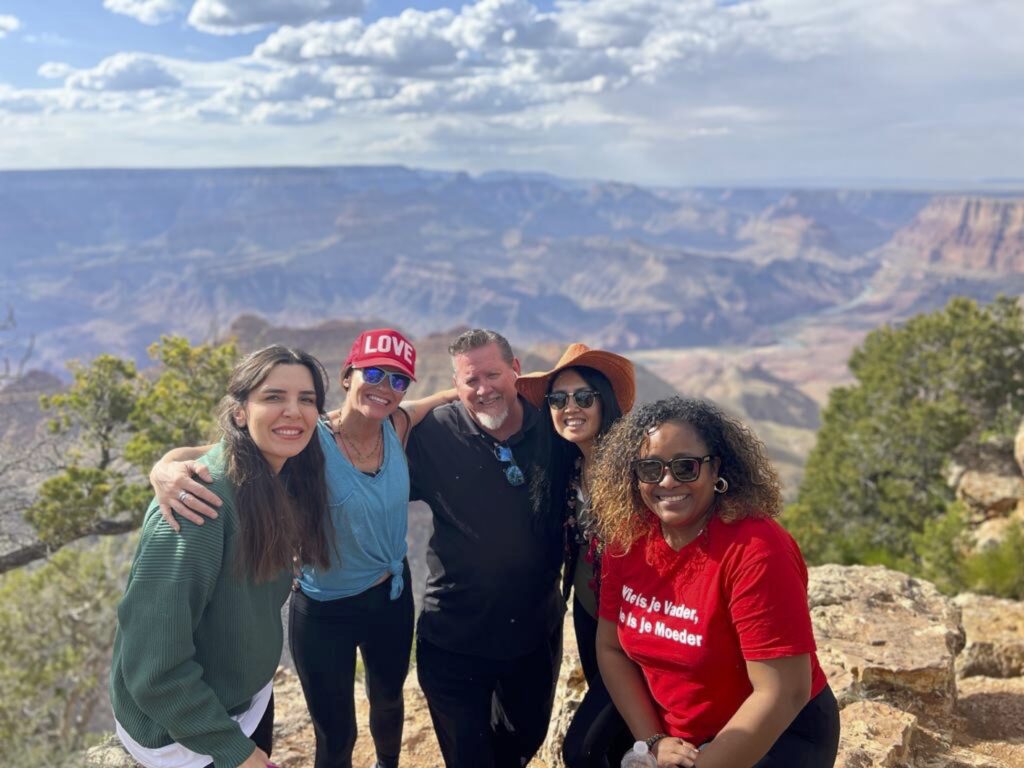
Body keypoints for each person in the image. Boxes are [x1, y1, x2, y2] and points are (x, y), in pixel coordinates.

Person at [149, 328, 456, 768]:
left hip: (391, 596)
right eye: (374, 373)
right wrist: (163, 468)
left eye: (398, 380)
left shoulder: (398, 425)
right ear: (348, 377)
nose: (385, 388)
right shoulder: (306, 439)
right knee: (336, 733)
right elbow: (206, 453)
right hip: (324, 609)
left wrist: (530, 384)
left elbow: (451, 395)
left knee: (388, 705)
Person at [110, 345, 334, 768]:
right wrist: (238, 752)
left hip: (244, 702)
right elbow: (154, 669)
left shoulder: (280, 472)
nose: (294, 411)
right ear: (239, 412)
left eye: (306, 400)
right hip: (186, 738)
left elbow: (373, 413)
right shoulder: (198, 509)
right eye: (273, 397)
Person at [591, 396, 840, 768]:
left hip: (777, 735)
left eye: (686, 467)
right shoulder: (628, 540)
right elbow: (610, 649)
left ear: (715, 468)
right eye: (650, 468)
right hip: (680, 740)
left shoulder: (756, 550)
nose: (668, 481)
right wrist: (652, 741)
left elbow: (783, 692)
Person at [405, 328, 565, 768]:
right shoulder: (433, 435)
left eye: (492, 374)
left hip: (535, 633)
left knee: (521, 745)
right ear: (454, 388)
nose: (483, 389)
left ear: (515, 370)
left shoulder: (553, 429)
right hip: (454, 637)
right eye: (470, 381)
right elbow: (353, 448)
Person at [515, 343, 637, 768]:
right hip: (589, 613)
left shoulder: (634, 469)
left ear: (605, 402)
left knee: (581, 749)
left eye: (584, 397)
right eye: (558, 399)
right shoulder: (567, 465)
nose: (571, 408)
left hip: (632, 631)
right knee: (619, 740)